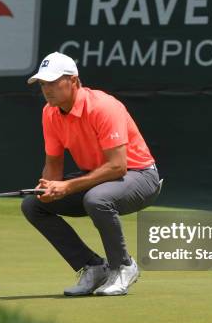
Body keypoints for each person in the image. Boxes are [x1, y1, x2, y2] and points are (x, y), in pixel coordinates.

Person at [21, 52, 161, 296]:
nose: (47, 89)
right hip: (99, 176)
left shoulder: (103, 106)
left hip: (140, 176)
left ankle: (123, 266)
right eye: (43, 84)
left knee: (97, 199)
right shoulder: (50, 113)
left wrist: (67, 187)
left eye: (53, 82)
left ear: (74, 81)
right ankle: (93, 267)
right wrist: (48, 187)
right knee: (33, 205)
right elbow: (53, 163)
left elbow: (118, 166)